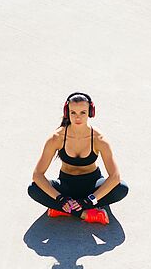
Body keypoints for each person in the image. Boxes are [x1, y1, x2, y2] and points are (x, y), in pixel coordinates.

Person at [27, 92, 129, 225]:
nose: (78, 117)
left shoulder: (99, 139)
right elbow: (37, 174)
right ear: (67, 112)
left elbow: (114, 176)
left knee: (121, 188)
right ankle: (84, 213)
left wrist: (89, 200)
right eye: (73, 112)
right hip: (66, 186)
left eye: (83, 112)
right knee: (33, 189)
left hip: (92, 186)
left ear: (90, 113)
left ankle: (63, 210)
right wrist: (60, 199)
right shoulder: (56, 138)